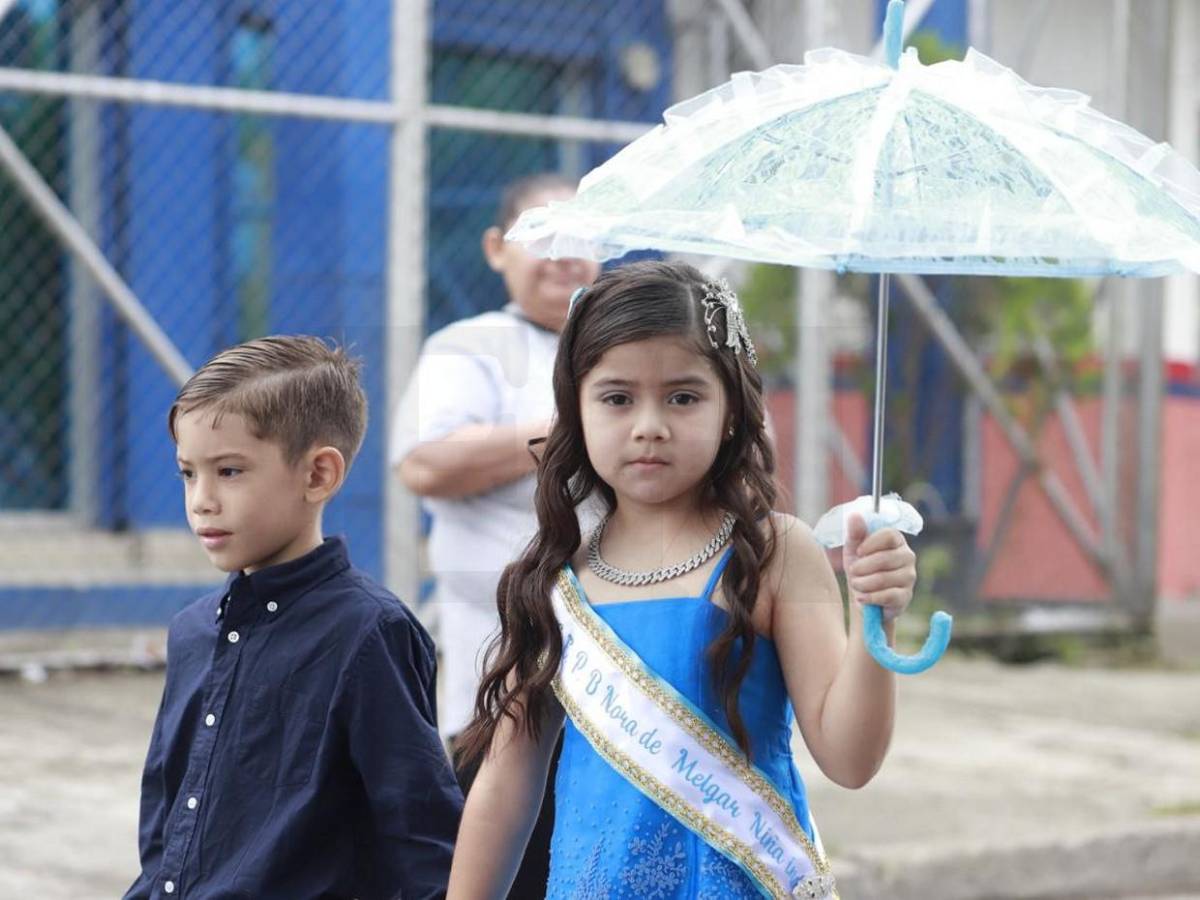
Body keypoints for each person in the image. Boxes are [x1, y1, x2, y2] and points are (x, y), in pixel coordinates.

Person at [446, 261, 919, 899]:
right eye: (617, 398)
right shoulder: (551, 580)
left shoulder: (775, 552)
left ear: (731, 409)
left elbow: (850, 758)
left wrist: (875, 619)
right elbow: (503, 792)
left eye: (683, 396)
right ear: (574, 412)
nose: (649, 425)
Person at [125, 336, 462, 900]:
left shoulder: (369, 632)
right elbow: (165, 825)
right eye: (188, 473)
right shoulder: (192, 631)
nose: (201, 500)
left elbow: (422, 838)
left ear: (318, 476)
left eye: (229, 471)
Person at [391, 174, 600, 896]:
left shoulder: (625, 351)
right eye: (543, 237)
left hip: (620, 684)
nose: (564, 257)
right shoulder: (470, 346)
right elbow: (425, 462)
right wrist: (574, 429)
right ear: (495, 247)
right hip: (498, 675)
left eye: (582, 240)